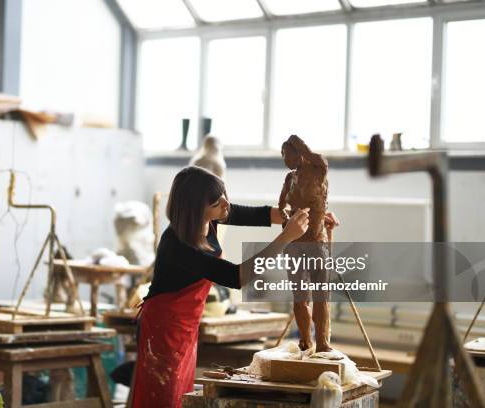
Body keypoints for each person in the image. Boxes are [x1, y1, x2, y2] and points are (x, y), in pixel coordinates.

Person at [131, 166, 337, 407]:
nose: (226, 204)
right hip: (164, 327)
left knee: (180, 393)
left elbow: (259, 215)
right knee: (163, 396)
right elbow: (236, 276)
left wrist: (311, 218)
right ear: (196, 209)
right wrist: (285, 238)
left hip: (186, 322)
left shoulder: (212, 216)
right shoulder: (177, 244)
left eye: (224, 195)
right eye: (217, 202)